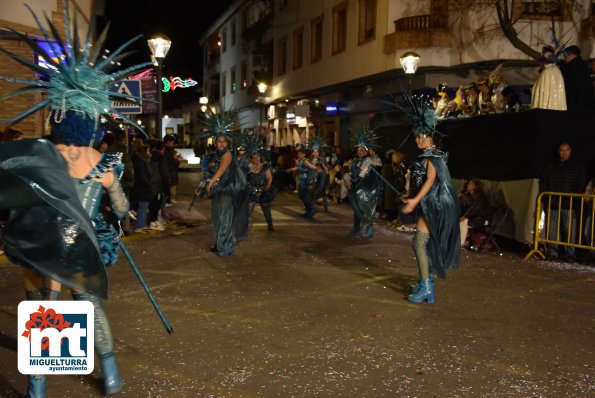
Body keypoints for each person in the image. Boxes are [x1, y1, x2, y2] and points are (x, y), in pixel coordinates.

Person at [0, 3, 152, 395]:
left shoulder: (40, 153)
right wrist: (113, 200)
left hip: (41, 243)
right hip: (82, 246)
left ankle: (37, 388)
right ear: (90, 121)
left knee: (41, 308)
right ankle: (112, 375)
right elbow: (120, 211)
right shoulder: (101, 161)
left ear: (58, 117)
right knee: (89, 307)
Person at [395, 90, 460, 304]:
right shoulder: (430, 155)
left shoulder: (433, 156)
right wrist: (410, 195)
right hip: (432, 202)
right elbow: (424, 182)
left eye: (419, 137)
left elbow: (431, 180)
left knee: (419, 244)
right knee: (425, 244)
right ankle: (427, 283)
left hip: (437, 205)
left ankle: (426, 286)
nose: (416, 140)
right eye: (415, 136)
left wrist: (414, 201)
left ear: (429, 137)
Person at [198, 109, 250, 257]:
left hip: (228, 190)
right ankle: (220, 243)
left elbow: (221, 170)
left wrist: (210, 183)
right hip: (219, 190)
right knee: (217, 218)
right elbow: (209, 171)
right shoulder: (215, 155)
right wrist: (204, 184)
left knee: (225, 218)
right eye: (219, 141)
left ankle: (227, 247)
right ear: (215, 142)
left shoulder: (227, 154)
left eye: (224, 141)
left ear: (227, 143)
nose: (221, 144)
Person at [539, 142, 586, 261]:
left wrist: (575, 199)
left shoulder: (578, 166)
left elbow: (581, 183)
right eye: (562, 150)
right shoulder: (551, 165)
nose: (564, 153)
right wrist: (546, 198)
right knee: (552, 230)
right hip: (553, 202)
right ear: (558, 151)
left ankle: (570, 254)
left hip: (569, 204)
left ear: (571, 151)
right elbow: (544, 182)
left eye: (567, 150)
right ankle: (553, 253)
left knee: (569, 230)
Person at [346, 129, 382, 239]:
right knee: (356, 209)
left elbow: (369, 174)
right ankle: (357, 227)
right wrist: (348, 180)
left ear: (367, 151)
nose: (360, 151)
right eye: (359, 149)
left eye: (362, 150)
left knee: (364, 209)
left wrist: (368, 165)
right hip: (354, 188)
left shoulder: (369, 161)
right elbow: (351, 172)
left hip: (365, 190)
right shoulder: (356, 160)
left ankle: (369, 228)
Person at [242, 135, 276, 231]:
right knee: (248, 210)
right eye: (254, 158)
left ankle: (270, 225)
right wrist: (247, 187)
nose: (256, 159)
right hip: (251, 191)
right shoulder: (247, 167)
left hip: (263, 190)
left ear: (260, 157)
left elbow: (269, 178)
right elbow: (243, 179)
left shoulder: (264, 166)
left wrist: (267, 186)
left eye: (258, 157)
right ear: (251, 158)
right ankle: (243, 228)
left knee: (266, 208)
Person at [559, 45, 595, 112]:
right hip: (586, 104)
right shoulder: (583, 65)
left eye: (565, 55)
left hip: (575, 104)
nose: (565, 58)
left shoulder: (572, 67)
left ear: (571, 55)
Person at [531, 45, 567, 111]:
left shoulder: (546, 72)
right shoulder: (557, 71)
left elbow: (542, 95)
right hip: (557, 111)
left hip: (547, 112)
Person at [459, 179, 492, 248]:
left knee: (464, 221)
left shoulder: (479, 195)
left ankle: (461, 243)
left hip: (483, 218)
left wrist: (465, 216)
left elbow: (475, 208)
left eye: (470, 184)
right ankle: (461, 241)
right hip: (475, 217)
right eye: (468, 184)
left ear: (475, 186)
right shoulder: (469, 195)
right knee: (460, 221)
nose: (468, 185)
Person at [163, 134, 181, 204]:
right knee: (171, 186)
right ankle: (168, 200)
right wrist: (176, 159)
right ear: (168, 142)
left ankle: (169, 199)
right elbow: (174, 161)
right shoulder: (169, 151)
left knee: (171, 186)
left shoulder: (166, 150)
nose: (172, 144)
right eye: (172, 142)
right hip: (170, 171)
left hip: (170, 171)